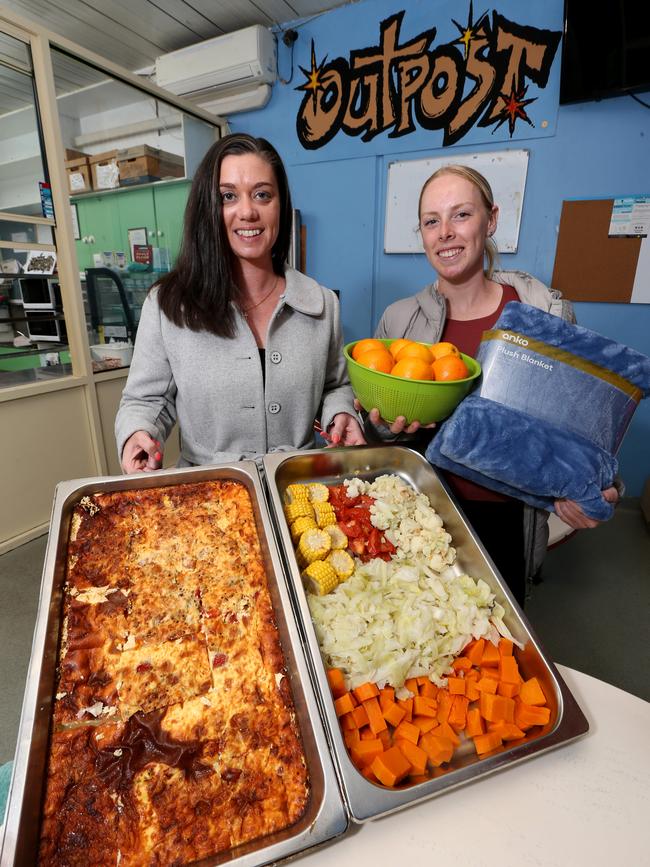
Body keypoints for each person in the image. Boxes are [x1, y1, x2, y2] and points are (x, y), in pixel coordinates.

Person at [364, 165, 618, 605]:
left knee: (495, 641)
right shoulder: (399, 320)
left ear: (492, 219)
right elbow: (383, 435)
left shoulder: (541, 313)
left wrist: (600, 489)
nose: (445, 232)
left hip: (507, 520)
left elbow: (586, 426)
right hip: (422, 511)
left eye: (461, 214)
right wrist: (385, 427)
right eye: (431, 221)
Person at [116, 133, 364, 472]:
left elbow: (336, 385)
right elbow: (146, 400)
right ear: (208, 208)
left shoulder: (321, 304)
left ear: (280, 205)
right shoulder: (169, 305)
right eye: (228, 196)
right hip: (207, 500)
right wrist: (136, 433)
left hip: (296, 487)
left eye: (262, 195)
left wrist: (342, 412)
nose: (247, 211)